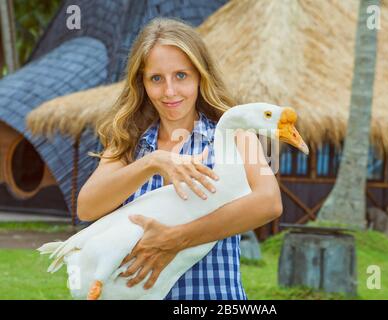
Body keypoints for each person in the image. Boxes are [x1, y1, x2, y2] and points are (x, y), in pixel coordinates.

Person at [77, 18, 283, 300]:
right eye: (156, 79)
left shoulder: (234, 135)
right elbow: (87, 207)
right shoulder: (128, 141)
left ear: (200, 75)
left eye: (181, 76)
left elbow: (268, 203)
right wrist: (153, 162)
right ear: (143, 83)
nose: (170, 91)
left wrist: (176, 239)